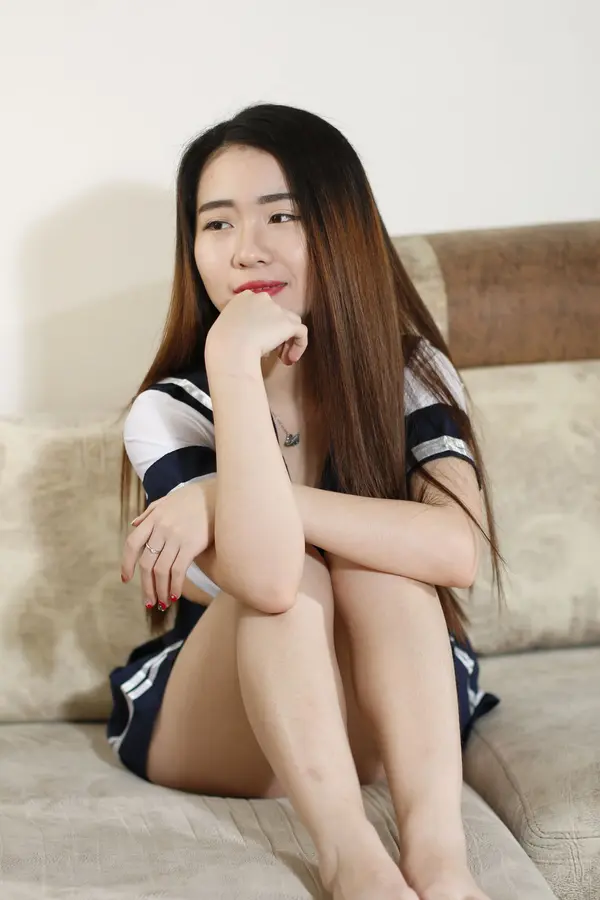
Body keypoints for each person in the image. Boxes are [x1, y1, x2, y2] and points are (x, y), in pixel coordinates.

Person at [108, 103, 502, 900]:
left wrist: (221, 494)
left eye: (280, 215)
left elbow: (457, 550)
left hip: (392, 711)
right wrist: (230, 363)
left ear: (339, 227)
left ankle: (440, 861)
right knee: (291, 583)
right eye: (216, 224)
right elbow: (266, 578)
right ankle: (351, 861)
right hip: (226, 724)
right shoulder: (171, 409)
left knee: (381, 569)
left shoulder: (409, 371)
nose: (245, 249)